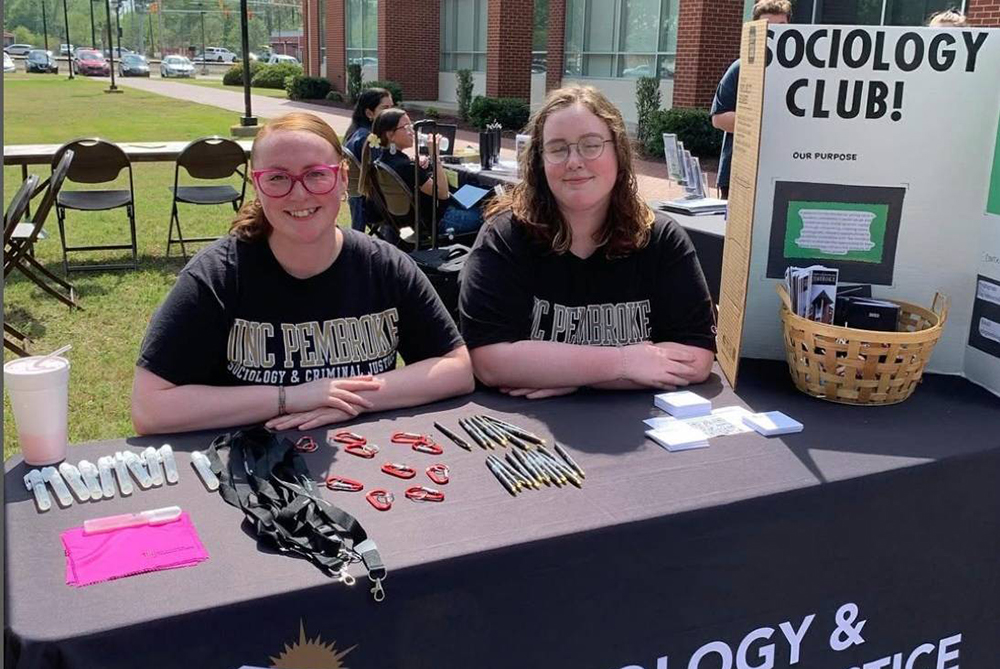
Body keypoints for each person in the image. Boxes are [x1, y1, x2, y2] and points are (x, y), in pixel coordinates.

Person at [131, 112, 474, 435]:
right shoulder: (217, 276)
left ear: (342, 179)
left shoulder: (385, 266)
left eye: (316, 174)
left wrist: (346, 397)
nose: (299, 193)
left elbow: (456, 368)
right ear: (256, 185)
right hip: (256, 461)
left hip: (366, 456)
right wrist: (291, 397)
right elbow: (150, 408)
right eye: (277, 177)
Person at [458, 86, 716, 399]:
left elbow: (697, 357)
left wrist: (565, 375)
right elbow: (488, 361)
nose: (574, 161)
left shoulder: (661, 238)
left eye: (591, 145)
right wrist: (624, 362)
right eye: (557, 149)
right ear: (539, 161)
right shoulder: (504, 238)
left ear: (618, 152)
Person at [359, 108, 483, 240]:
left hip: (405, 223)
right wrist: (435, 156)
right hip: (436, 222)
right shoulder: (406, 167)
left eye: (411, 126)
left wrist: (416, 163)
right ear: (390, 135)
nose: (412, 132)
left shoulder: (382, 162)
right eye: (406, 128)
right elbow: (443, 194)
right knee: (489, 216)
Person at [710, 0, 791, 199]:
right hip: (740, 175)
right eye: (767, 28)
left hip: (785, 174)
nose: (774, 34)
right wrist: (764, 123)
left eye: (781, 27)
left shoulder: (803, 71)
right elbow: (718, 118)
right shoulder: (741, 68)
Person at [344, 87, 393, 232]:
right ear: (369, 113)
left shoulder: (356, 132)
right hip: (374, 206)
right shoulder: (370, 139)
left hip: (360, 201)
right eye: (385, 108)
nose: (390, 112)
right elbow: (384, 175)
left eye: (392, 107)